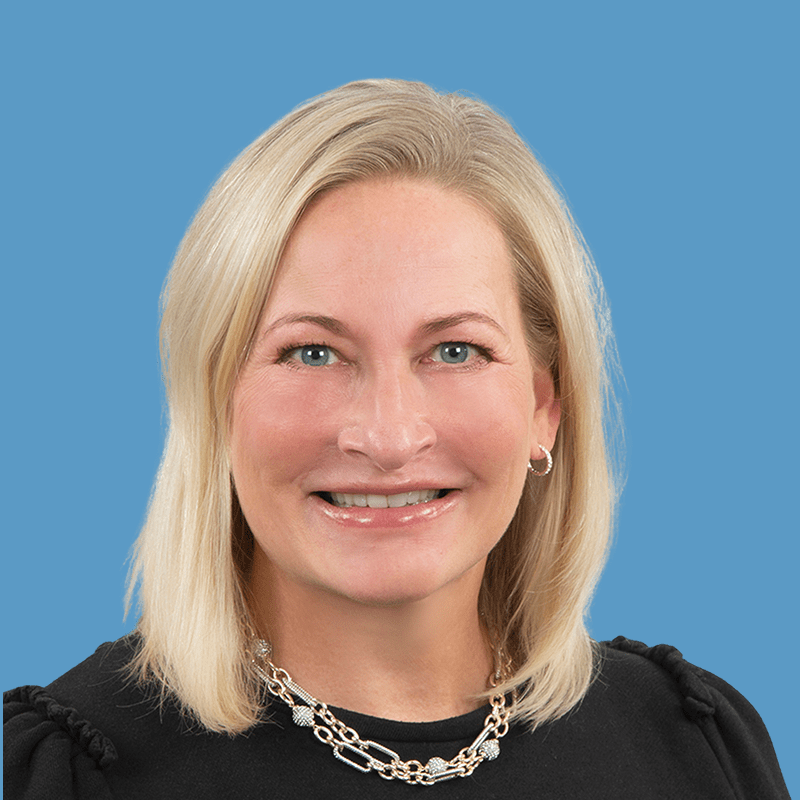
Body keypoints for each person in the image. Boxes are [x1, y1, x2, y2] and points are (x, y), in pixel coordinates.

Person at [4, 79, 789, 798]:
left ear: (545, 405)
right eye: (312, 352)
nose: (386, 436)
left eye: (456, 351)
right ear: (214, 404)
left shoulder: (695, 750)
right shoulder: (65, 773)